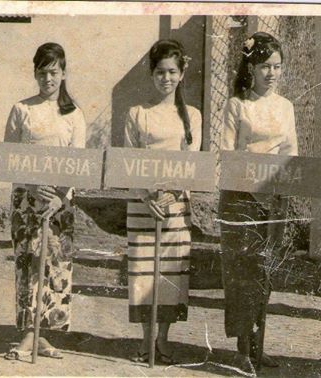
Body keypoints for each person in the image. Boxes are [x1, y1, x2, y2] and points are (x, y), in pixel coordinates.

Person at [2, 42, 86, 361]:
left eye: (53, 72)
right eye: (42, 72)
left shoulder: (73, 114)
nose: (47, 79)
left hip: (60, 204)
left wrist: (61, 197)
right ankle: (27, 335)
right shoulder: (22, 109)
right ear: (34, 73)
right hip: (27, 199)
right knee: (28, 266)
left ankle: (45, 336)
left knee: (55, 267)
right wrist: (34, 188)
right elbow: (10, 159)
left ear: (63, 73)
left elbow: (79, 164)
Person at [219, 32, 296, 371]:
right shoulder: (238, 104)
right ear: (251, 67)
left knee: (265, 273)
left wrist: (279, 191)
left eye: (277, 67)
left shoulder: (286, 107)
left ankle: (258, 344)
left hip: (274, 201)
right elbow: (229, 153)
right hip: (241, 198)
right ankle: (241, 348)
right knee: (242, 273)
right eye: (265, 66)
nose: (272, 73)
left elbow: (290, 154)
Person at [124, 39, 202, 364]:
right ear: (151, 74)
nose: (165, 78)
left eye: (172, 71)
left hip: (176, 208)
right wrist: (145, 196)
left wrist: (170, 195)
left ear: (182, 73)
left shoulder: (192, 116)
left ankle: (164, 339)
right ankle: (144, 340)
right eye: (159, 72)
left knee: (170, 273)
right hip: (144, 206)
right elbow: (129, 161)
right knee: (143, 273)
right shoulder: (137, 114)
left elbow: (192, 162)